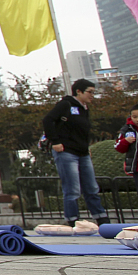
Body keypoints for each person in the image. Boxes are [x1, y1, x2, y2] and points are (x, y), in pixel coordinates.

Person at [43, 78, 108, 227]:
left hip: (82, 153)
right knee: (72, 189)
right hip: (67, 152)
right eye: (89, 92)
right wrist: (55, 141)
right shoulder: (65, 105)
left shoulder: (84, 108)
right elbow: (48, 120)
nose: (92, 95)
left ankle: (101, 218)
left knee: (91, 187)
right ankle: (72, 220)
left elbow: (82, 131)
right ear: (78, 91)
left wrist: (86, 148)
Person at [115, 103, 138, 195]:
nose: (137, 119)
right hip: (136, 168)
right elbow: (118, 147)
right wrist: (125, 141)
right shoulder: (127, 130)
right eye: (134, 117)